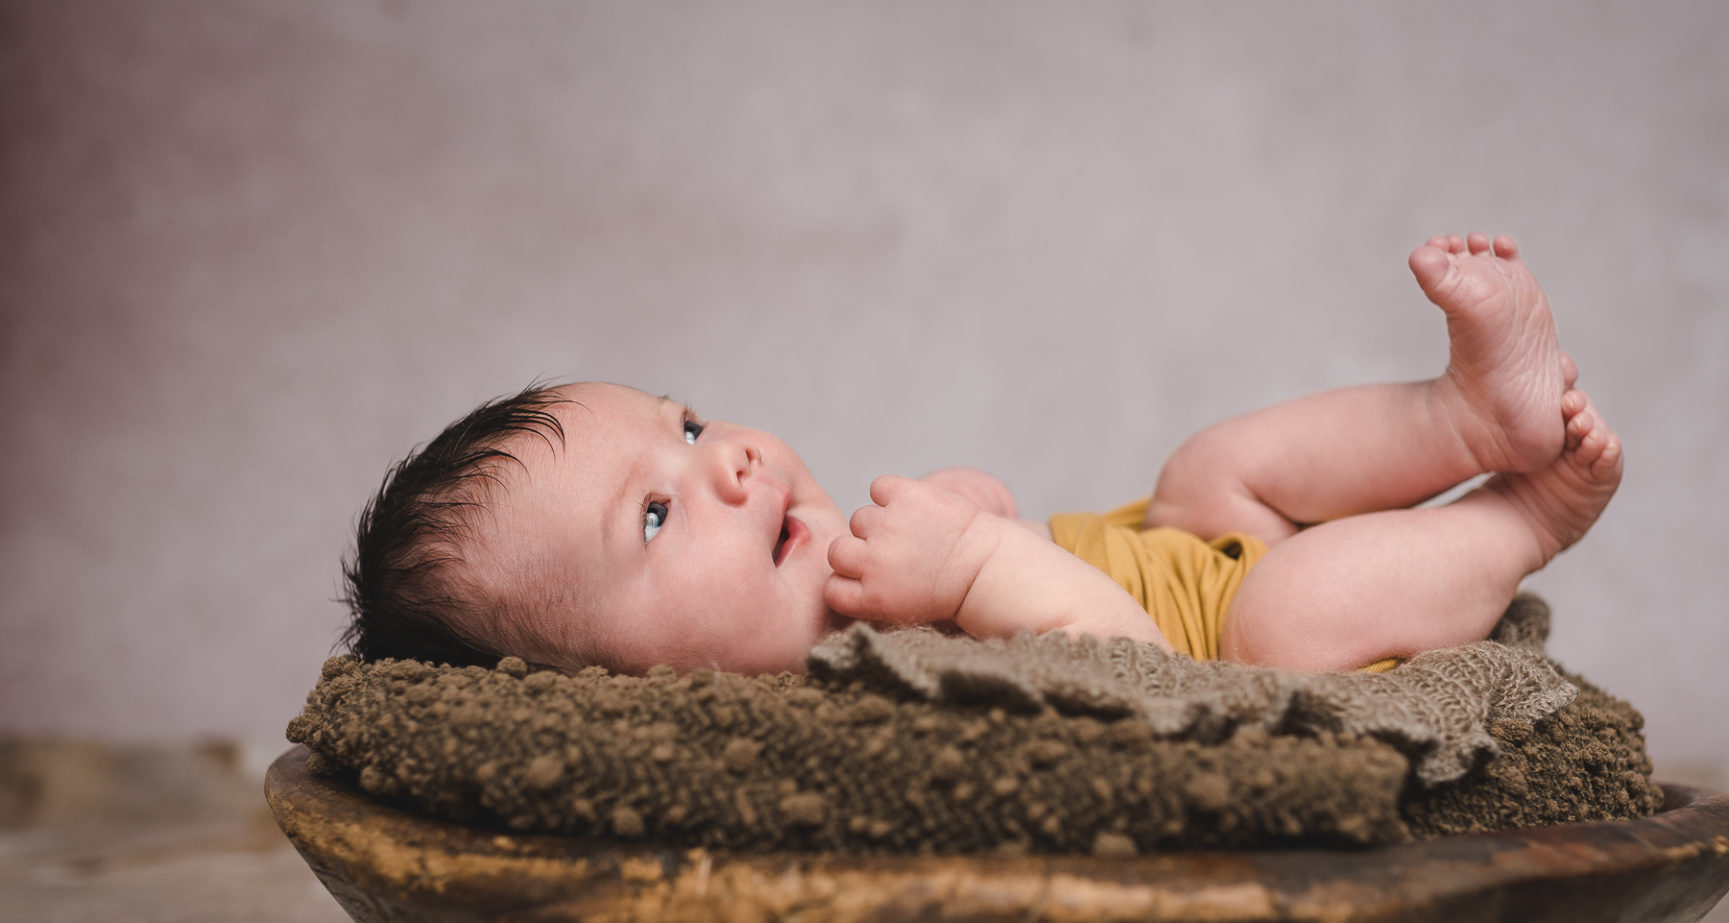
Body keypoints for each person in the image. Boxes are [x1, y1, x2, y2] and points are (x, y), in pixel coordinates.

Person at [344, 233, 1620, 677]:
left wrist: (969, 516)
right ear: (619, 694)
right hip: (1226, 650)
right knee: (1299, 609)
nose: (728, 459)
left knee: (1211, 466)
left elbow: (1006, 524)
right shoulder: (851, 709)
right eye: (657, 518)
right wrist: (965, 573)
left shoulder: (836, 576)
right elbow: (1125, 681)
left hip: (1166, 547)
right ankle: (1534, 508)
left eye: (685, 424)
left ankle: (1469, 417)